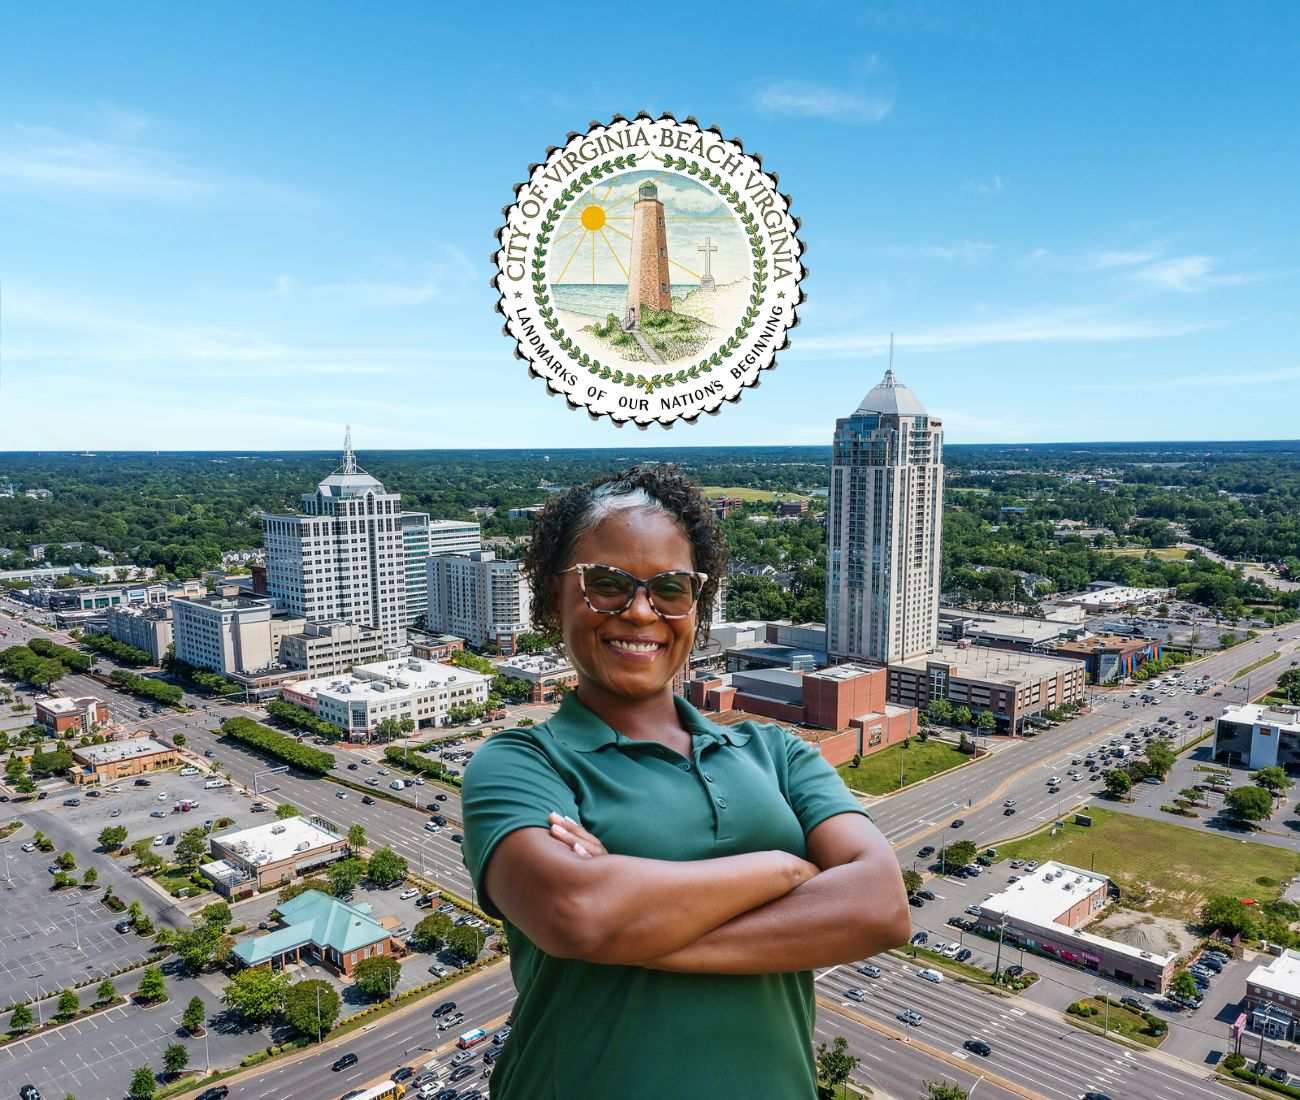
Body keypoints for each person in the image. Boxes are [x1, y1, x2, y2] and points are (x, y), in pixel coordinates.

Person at [461, 466, 910, 1099]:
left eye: (670, 588)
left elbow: (879, 907)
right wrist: (783, 870)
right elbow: (579, 912)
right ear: (549, 598)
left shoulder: (775, 751)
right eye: (607, 585)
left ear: (695, 606)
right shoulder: (521, 764)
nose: (640, 611)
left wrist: (635, 927)